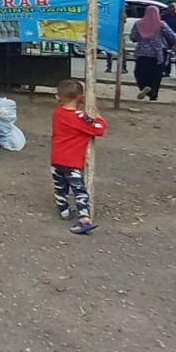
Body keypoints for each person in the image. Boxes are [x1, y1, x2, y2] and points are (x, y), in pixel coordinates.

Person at [51, 79, 107, 235]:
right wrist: (99, 117)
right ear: (81, 98)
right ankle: (84, 218)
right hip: (73, 161)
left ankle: (64, 211)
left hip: (56, 158)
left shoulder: (57, 113)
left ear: (58, 97)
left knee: (60, 187)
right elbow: (99, 129)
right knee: (79, 189)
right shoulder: (79, 117)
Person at [130, 5, 176, 101]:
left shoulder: (138, 24)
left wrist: (141, 39)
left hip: (142, 52)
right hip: (158, 53)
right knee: (156, 75)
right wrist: (175, 44)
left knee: (139, 73)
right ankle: (153, 94)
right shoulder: (161, 24)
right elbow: (171, 36)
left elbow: (133, 37)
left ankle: (144, 87)